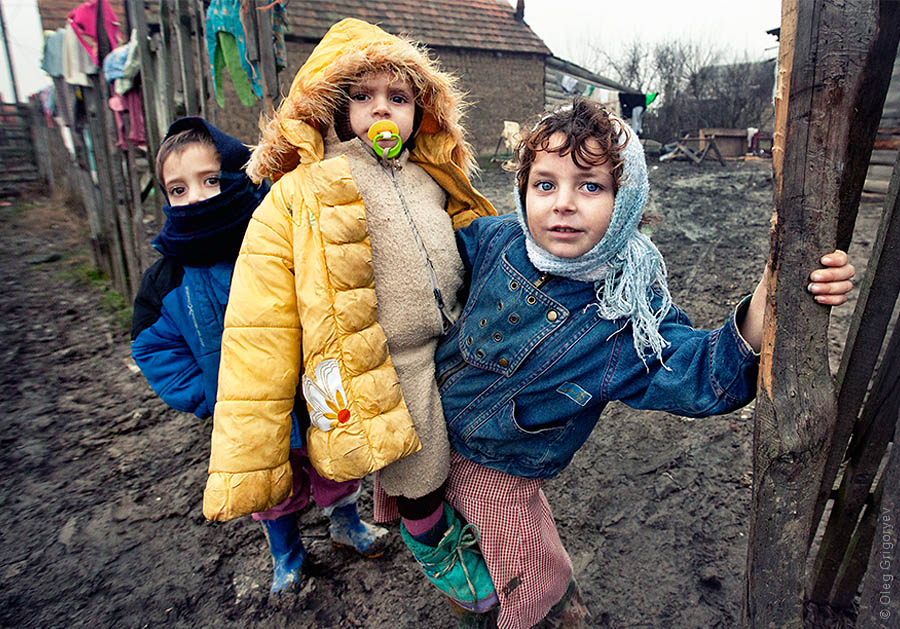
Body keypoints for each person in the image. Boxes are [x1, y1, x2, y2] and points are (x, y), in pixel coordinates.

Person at [430, 98, 856, 628]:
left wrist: (778, 289)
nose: (562, 203)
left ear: (626, 199)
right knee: (437, 544)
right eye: (545, 184)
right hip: (421, 431)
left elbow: (701, 372)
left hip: (499, 474)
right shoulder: (493, 242)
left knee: (524, 583)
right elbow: (421, 264)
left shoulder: (624, 315)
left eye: (590, 186)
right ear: (522, 191)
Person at [201, 18, 499, 613]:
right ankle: (432, 544)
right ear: (331, 105)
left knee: (476, 455)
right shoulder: (304, 191)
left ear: (422, 109)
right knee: (419, 475)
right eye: (361, 97)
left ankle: (474, 527)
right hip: (378, 365)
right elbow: (259, 323)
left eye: (398, 97)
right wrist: (249, 459)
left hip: (452, 346)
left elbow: (474, 243)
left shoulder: (432, 177)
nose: (380, 111)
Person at [130, 117, 388, 598]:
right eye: (178, 189)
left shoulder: (275, 237)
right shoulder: (168, 277)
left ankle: (346, 523)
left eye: (210, 180)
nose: (196, 196)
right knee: (273, 486)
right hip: (247, 412)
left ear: (236, 176)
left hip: (311, 393)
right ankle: (286, 556)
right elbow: (151, 345)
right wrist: (211, 395)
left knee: (334, 462)